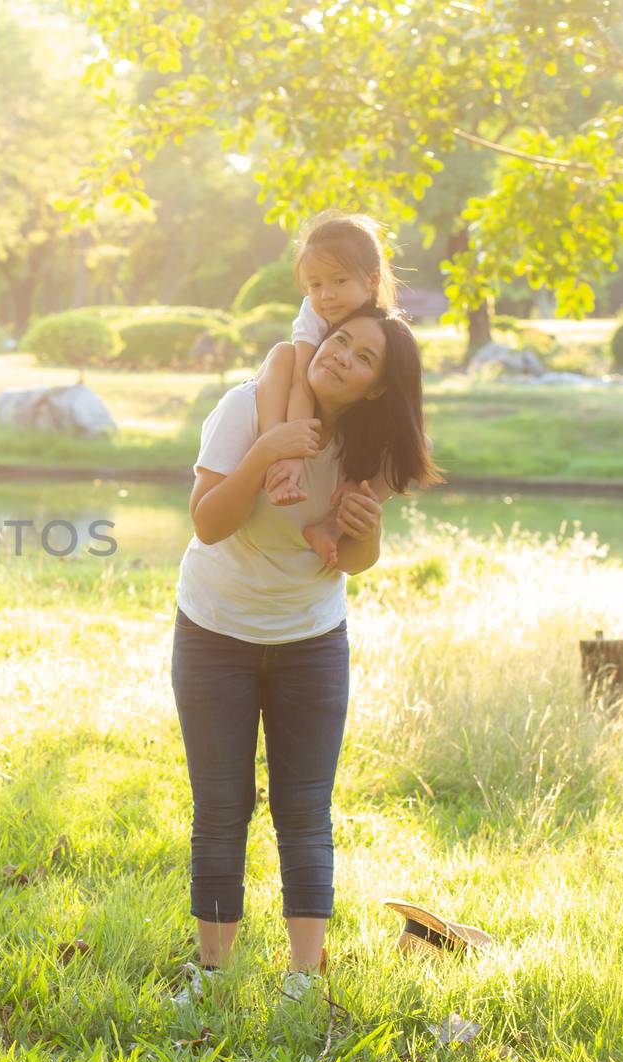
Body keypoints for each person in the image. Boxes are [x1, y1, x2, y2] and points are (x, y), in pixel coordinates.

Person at [167, 303, 444, 1015]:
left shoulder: (373, 446)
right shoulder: (244, 406)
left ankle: (301, 981)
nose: (341, 358)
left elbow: (349, 560)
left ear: (378, 387)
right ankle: (213, 975)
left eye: (363, 358)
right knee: (222, 803)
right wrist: (268, 450)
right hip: (214, 629)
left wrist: (365, 533)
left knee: (304, 808)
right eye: (340, 341)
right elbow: (207, 521)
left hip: (310, 641)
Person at [254, 213, 400, 569]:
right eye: (315, 285)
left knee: (418, 448)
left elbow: (401, 404)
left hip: (363, 418)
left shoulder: (384, 328)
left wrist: (360, 479)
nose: (326, 295)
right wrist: (291, 451)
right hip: (314, 406)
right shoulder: (313, 316)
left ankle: (332, 525)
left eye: (339, 281)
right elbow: (302, 381)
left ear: (372, 281)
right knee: (282, 355)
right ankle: (275, 455)